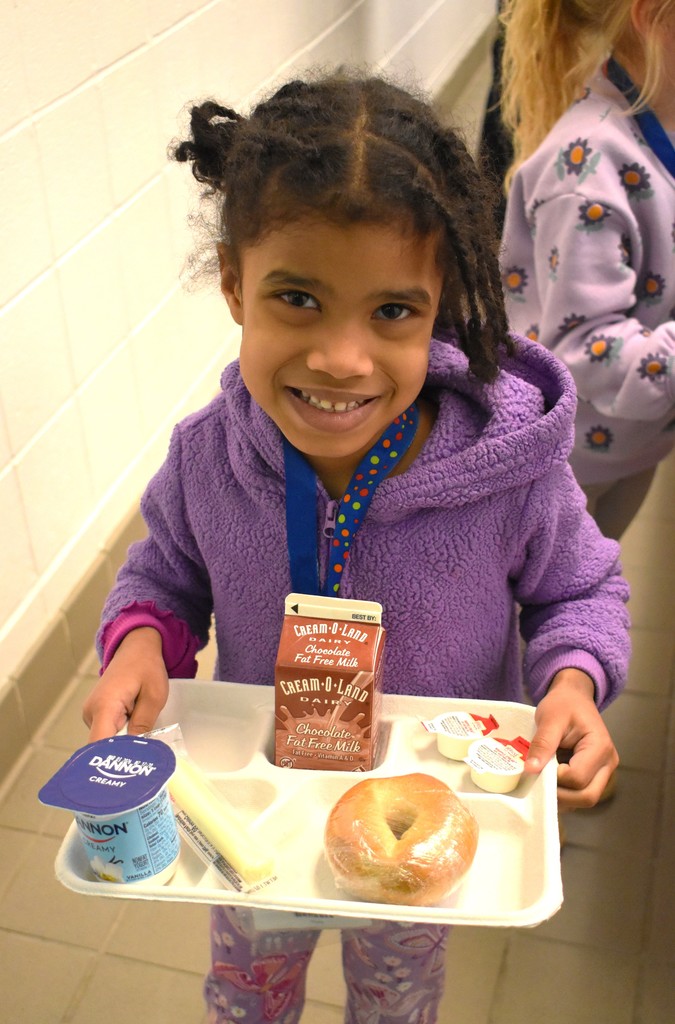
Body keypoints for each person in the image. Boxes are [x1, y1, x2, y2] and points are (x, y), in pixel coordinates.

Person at [82, 70, 630, 1024]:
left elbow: (579, 592)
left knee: (396, 999)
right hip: (260, 803)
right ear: (232, 284)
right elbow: (163, 575)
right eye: (296, 298)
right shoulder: (209, 457)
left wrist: (574, 681)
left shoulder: (508, 471)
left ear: (440, 306)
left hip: (427, 814)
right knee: (247, 995)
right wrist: (137, 639)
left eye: (391, 312)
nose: (342, 358)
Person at [499, 0, 675, 540]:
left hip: (632, 441)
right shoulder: (587, 172)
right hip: (570, 467)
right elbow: (585, 352)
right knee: (552, 611)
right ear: (650, 16)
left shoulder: (659, 117)